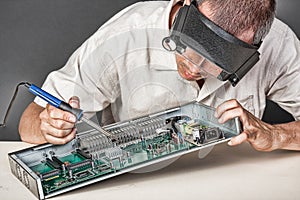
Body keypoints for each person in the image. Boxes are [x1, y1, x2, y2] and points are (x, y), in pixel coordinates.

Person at [19, 0, 300, 152]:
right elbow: (28, 121)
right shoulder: (124, 36)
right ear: (187, 6)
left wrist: (276, 135)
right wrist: (49, 127)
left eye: (217, 62)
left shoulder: (279, 43)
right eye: (191, 45)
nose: (194, 68)